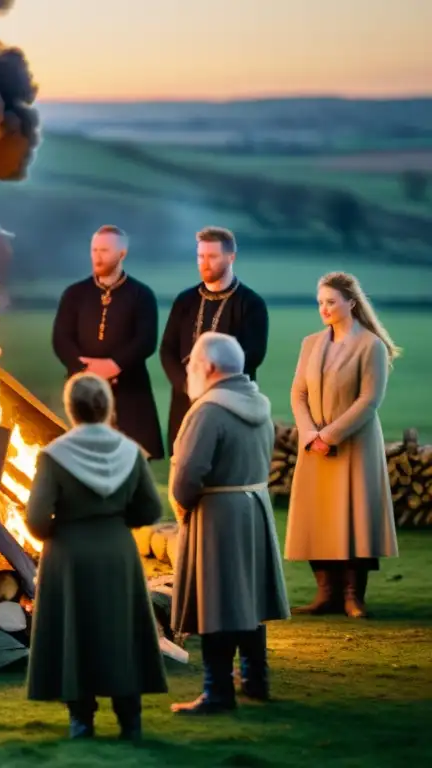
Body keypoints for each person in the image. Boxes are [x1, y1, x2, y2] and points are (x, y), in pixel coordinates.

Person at [25, 372, 168, 741]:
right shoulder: (129, 451)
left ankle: (81, 720)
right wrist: (117, 524)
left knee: (78, 633)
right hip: (117, 551)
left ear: (71, 409)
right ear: (108, 408)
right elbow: (151, 509)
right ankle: (130, 720)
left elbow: (38, 518)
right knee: (122, 632)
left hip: (70, 554)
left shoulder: (55, 456)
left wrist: (61, 532)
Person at [168, 332, 290, 714]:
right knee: (248, 601)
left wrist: (183, 506)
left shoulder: (208, 411)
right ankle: (256, 679)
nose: (189, 371)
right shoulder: (259, 404)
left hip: (218, 515)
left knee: (216, 603)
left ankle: (217, 692)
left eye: (193, 364)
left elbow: (187, 474)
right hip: (254, 508)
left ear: (209, 367)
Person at [284, 272, 400, 618]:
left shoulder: (371, 346)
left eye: (331, 302)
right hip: (313, 448)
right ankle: (326, 595)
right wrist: (309, 435)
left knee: (355, 519)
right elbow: (298, 393)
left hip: (354, 445)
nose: (324, 308)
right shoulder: (310, 344)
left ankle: (353, 596)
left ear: (351, 302)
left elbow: (369, 400)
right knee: (316, 517)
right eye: (320, 302)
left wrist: (330, 435)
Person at [51, 225, 164, 459]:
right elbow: (61, 338)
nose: (97, 256)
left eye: (104, 250)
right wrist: (86, 371)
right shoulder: (74, 294)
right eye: (94, 250)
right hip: (83, 389)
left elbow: (146, 340)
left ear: (122, 254)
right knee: (83, 458)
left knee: (132, 460)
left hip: (130, 390)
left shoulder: (141, 295)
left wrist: (113, 366)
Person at [160, 227, 268, 456]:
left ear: (231, 257)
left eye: (212, 256)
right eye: (201, 256)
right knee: (184, 473)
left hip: (232, 404)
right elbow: (167, 349)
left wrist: (214, 386)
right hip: (185, 402)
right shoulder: (185, 301)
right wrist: (186, 384)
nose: (204, 263)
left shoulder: (251, 303)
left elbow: (254, 354)